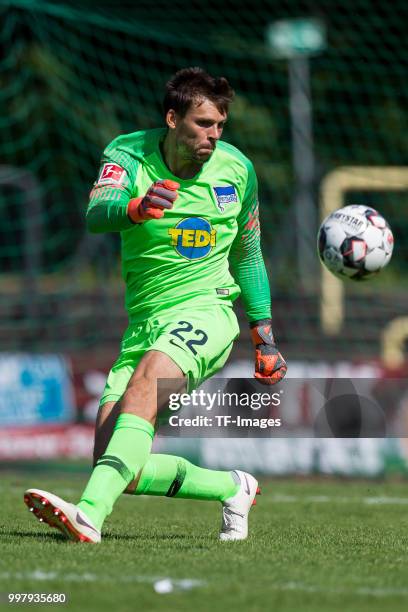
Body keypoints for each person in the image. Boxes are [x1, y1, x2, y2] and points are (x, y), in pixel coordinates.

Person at [24, 67, 287, 543]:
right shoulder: (127, 152)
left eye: (220, 125)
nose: (213, 135)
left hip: (207, 312)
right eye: (203, 123)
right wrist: (136, 207)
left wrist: (263, 335)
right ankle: (232, 486)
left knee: (149, 378)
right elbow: (96, 214)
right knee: (114, 458)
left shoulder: (238, 170)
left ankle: (87, 517)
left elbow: (248, 255)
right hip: (145, 321)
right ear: (172, 118)